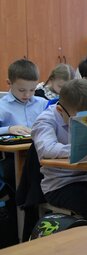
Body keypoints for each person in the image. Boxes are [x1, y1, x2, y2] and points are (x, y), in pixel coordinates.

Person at [31, 79, 87, 227]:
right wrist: (81, 149)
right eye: (79, 119)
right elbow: (47, 149)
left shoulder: (77, 112)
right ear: (60, 110)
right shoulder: (45, 120)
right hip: (59, 185)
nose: (85, 123)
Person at [0, 59, 46, 189]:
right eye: (21, 90)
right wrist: (9, 129)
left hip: (40, 153)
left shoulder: (42, 103)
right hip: (12, 158)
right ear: (9, 83)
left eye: (32, 90)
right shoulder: (2, 106)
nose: (27, 94)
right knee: (16, 174)